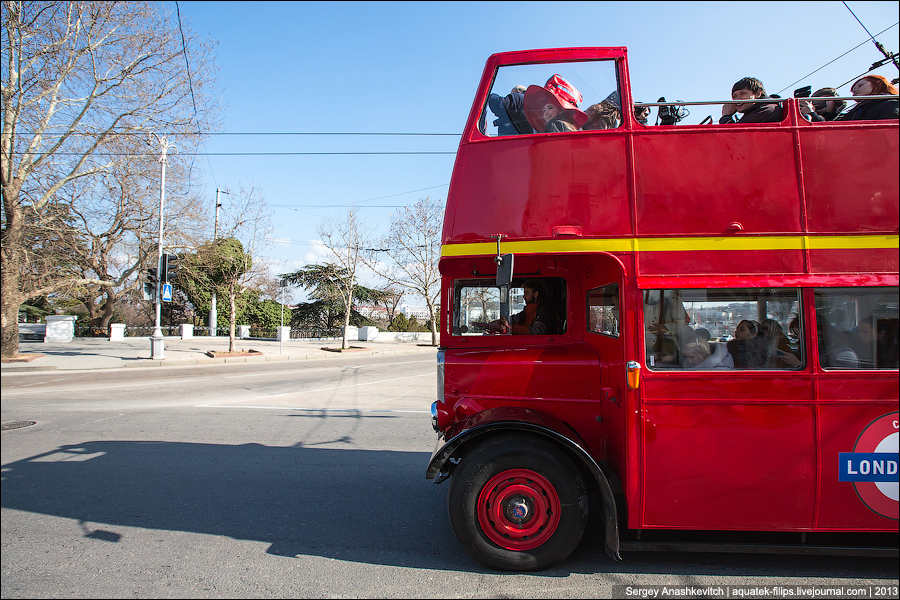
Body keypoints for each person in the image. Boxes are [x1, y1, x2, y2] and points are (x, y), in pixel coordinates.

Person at [478, 280, 559, 335]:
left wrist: (509, 328)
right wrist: (496, 323)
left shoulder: (544, 312)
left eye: (527, 293)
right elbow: (513, 319)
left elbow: (536, 332)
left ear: (536, 294)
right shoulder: (527, 311)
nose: (524, 296)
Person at [523, 74, 589, 133]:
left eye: (550, 108)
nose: (546, 113)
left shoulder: (555, 124)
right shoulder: (575, 129)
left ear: (561, 110)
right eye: (544, 110)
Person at [719, 77, 784, 124]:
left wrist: (726, 118)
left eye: (742, 93)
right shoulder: (753, 112)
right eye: (734, 96)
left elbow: (735, 137)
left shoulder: (767, 110)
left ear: (758, 93)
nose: (737, 99)